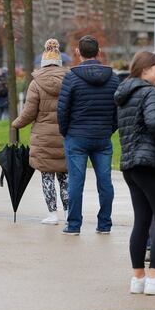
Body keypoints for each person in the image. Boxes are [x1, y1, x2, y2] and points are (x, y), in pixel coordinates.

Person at [115, 51, 155, 295]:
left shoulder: (124, 95)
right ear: (145, 70)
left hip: (131, 165)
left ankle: (139, 278)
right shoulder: (151, 92)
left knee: (141, 221)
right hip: (151, 163)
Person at [57, 35, 119, 235]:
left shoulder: (71, 77)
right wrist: (109, 129)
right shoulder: (113, 77)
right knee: (105, 182)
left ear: (78, 52)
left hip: (76, 135)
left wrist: (65, 131)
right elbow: (118, 109)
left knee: (76, 181)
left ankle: (74, 225)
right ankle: (104, 224)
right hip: (102, 136)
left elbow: (63, 110)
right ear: (99, 52)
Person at [12, 39, 69, 224]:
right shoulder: (69, 81)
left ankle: (52, 214)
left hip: (43, 137)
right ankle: (69, 212)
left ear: (43, 62)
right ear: (59, 61)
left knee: (47, 176)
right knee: (64, 176)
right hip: (64, 136)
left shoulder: (35, 84)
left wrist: (16, 124)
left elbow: (28, 113)